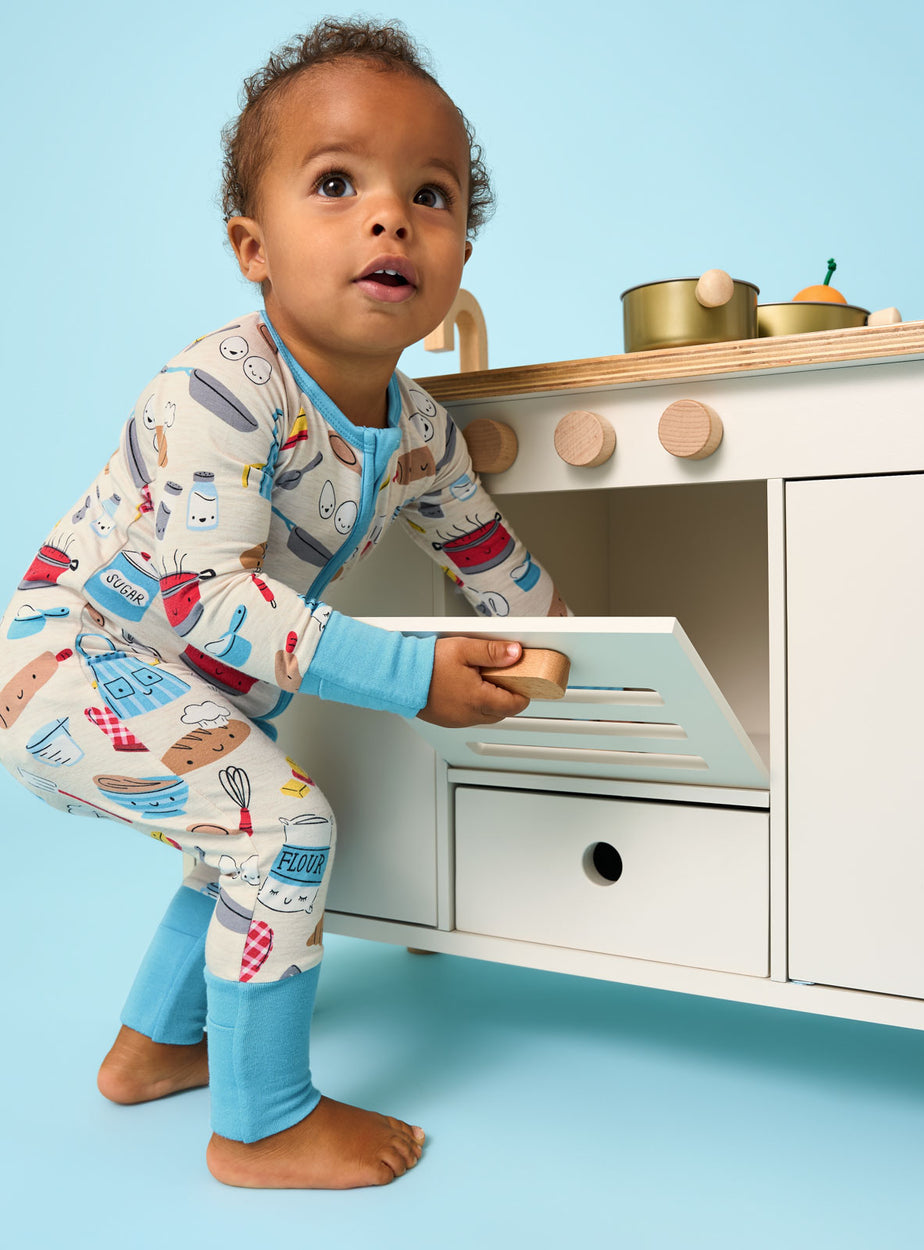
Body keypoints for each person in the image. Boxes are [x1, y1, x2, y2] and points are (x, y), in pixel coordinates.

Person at [0, 17, 566, 1190]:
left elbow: (487, 549)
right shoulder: (217, 388)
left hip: (168, 683)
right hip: (65, 664)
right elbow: (209, 607)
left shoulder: (415, 430)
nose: (389, 216)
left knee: (233, 835)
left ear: (460, 248)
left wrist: (553, 644)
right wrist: (417, 680)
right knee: (284, 826)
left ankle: (153, 1049)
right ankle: (262, 1121)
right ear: (252, 246)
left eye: (432, 193)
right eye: (336, 182)